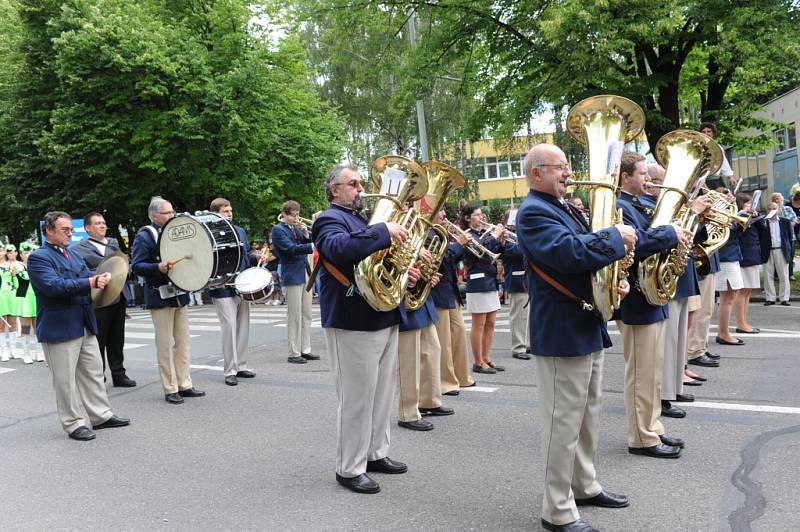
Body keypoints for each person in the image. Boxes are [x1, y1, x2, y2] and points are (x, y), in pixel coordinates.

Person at [517, 143, 636, 532]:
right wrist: (615, 237)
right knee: (561, 424)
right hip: (561, 328)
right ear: (537, 173)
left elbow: (583, 262)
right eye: (559, 168)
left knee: (587, 416)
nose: (568, 173)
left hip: (584, 321)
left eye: (568, 167)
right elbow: (567, 254)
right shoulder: (533, 211)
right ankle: (557, 510)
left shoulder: (563, 207)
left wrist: (611, 281)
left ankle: (584, 485)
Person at [312, 164, 415, 495]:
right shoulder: (329, 219)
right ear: (335, 191)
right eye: (353, 184)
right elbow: (340, 249)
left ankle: (374, 453)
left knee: (383, 394)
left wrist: (404, 272)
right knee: (357, 398)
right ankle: (349, 467)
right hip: (351, 317)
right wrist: (383, 230)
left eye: (360, 183)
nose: (361, 189)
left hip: (383, 313)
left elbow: (378, 261)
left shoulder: (362, 219)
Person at [27, 211, 130, 440]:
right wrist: (90, 281)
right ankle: (73, 423)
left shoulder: (72, 255)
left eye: (71, 230)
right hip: (60, 327)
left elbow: (87, 277)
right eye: (65, 230)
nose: (70, 233)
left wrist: (101, 279)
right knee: (65, 381)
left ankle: (101, 416)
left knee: (93, 372)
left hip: (84, 322)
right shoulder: (39, 257)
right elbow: (53, 286)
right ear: (49, 231)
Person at [616, 151, 687, 459]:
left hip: (652, 293)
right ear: (625, 177)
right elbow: (637, 242)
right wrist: (669, 233)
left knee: (654, 369)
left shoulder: (637, 204)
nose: (648, 179)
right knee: (641, 372)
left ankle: (653, 426)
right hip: (635, 296)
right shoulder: (619, 207)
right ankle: (641, 437)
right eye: (642, 174)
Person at [131, 196, 206, 404]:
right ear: (155, 216)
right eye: (168, 213)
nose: (172, 215)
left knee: (183, 342)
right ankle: (170, 387)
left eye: (173, 211)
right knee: (165, 344)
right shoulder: (145, 236)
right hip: (159, 294)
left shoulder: (176, 233)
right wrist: (157, 267)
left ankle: (185, 383)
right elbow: (136, 266)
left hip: (179, 293)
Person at [71, 212, 136, 387]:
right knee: (98, 339)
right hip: (99, 298)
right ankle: (99, 377)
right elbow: (81, 272)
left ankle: (119, 374)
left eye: (104, 223)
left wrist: (125, 272)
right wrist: (103, 275)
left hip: (119, 295)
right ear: (87, 228)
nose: (102, 226)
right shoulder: (78, 249)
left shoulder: (113, 244)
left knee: (117, 338)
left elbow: (123, 264)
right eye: (98, 223)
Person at [208, 198, 259, 386]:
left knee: (243, 326)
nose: (229, 214)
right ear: (215, 213)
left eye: (230, 210)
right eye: (225, 211)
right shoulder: (209, 233)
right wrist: (213, 280)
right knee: (229, 327)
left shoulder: (240, 231)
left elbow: (245, 255)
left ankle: (241, 366)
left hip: (241, 284)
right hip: (221, 286)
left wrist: (257, 257)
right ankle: (229, 370)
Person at [396, 266, 452, 432]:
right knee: (409, 360)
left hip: (421, 297)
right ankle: (408, 413)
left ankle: (429, 401)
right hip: (404, 293)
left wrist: (428, 276)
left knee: (432, 351)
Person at [431, 207, 475, 396]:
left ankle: (461, 376)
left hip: (451, 290)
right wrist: (459, 244)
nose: (444, 215)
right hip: (438, 290)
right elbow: (442, 258)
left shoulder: (442, 232)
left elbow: (454, 256)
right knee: (444, 340)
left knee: (458, 335)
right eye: (440, 211)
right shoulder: (427, 232)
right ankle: (446, 381)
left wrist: (464, 246)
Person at [460, 204, 504, 374]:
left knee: (491, 323)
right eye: (477, 215)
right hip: (477, 283)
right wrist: (495, 236)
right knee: (479, 324)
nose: (481, 217)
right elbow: (477, 252)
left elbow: (496, 252)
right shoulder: (467, 235)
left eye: (481, 214)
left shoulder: (483, 234)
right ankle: (478, 362)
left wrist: (502, 241)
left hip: (490, 280)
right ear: (468, 218)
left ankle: (487, 358)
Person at [272, 200, 316, 364]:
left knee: (307, 313)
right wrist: (311, 245)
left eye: (298, 214)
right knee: (294, 315)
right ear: (284, 214)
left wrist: (305, 235)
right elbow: (290, 249)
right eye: (294, 215)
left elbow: (303, 244)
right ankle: (293, 352)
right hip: (292, 274)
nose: (297, 218)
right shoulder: (278, 230)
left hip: (304, 271)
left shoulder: (295, 228)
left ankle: (306, 349)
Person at [500, 209, 531, 360]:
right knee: (519, 316)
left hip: (528, 280)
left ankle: (528, 344)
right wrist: (529, 244)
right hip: (517, 279)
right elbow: (514, 252)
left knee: (529, 316)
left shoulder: (522, 234)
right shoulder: (505, 235)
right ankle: (518, 347)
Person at [734, 194, 763, 333]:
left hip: (753, 254)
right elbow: (739, 232)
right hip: (745, 256)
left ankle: (744, 321)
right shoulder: (738, 217)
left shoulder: (750, 217)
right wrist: (745, 215)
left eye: (751, 203)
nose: (749, 206)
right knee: (743, 290)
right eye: (746, 204)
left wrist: (756, 217)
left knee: (748, 291)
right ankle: (740, 324)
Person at [14, 242, 44, 363]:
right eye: (25, 252)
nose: (29, 254)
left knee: (38, 327)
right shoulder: (17, 266)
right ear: (21, 255)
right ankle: (26, 354)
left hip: (36, 298)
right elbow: (25, 277)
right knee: (25, 328)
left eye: (30, 252)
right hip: (24, 298)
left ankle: (39, 352)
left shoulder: (37, 266)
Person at [762, 201, 793, 306]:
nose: (772, 211)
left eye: (774, 208)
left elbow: (789, 238)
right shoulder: (763, 222)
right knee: (768, 275)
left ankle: (784, 298)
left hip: (781, 250)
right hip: (767, 251)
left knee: (784, 275)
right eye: (770, 208)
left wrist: (789, 253)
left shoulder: (785, 221)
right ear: (766, 210)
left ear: (778, 209)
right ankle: (770, 298)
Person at [699, 122, 736, 190]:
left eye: (708, 131)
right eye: (703, 132)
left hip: (717, 181)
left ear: (713, 133)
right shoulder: (698, 148)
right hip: (702, 182)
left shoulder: (718, 147)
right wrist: (701, 184)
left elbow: (723, 162)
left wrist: (730, 176)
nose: (706, 133)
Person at [0, 244, 20, 361]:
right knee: (1, 325)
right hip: (0, 295)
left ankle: (13, 349)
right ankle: (4, 350)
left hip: (11, 295)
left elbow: (17, 281)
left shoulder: (12, 265)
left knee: (12, 322)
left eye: (1, 250)